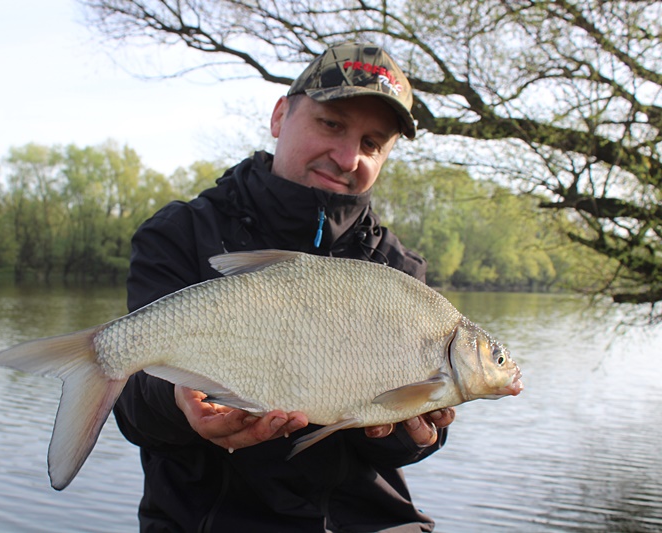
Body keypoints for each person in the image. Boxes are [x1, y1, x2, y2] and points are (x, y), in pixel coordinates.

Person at [112, 42, 455, 532]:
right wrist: (178, 404)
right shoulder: (182, 233)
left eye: (372, 143)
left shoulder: (396, 268)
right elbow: (133, 400)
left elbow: (401, 447)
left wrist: (415, 432)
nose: (346, 156)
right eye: (331, 124)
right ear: (279, 117)